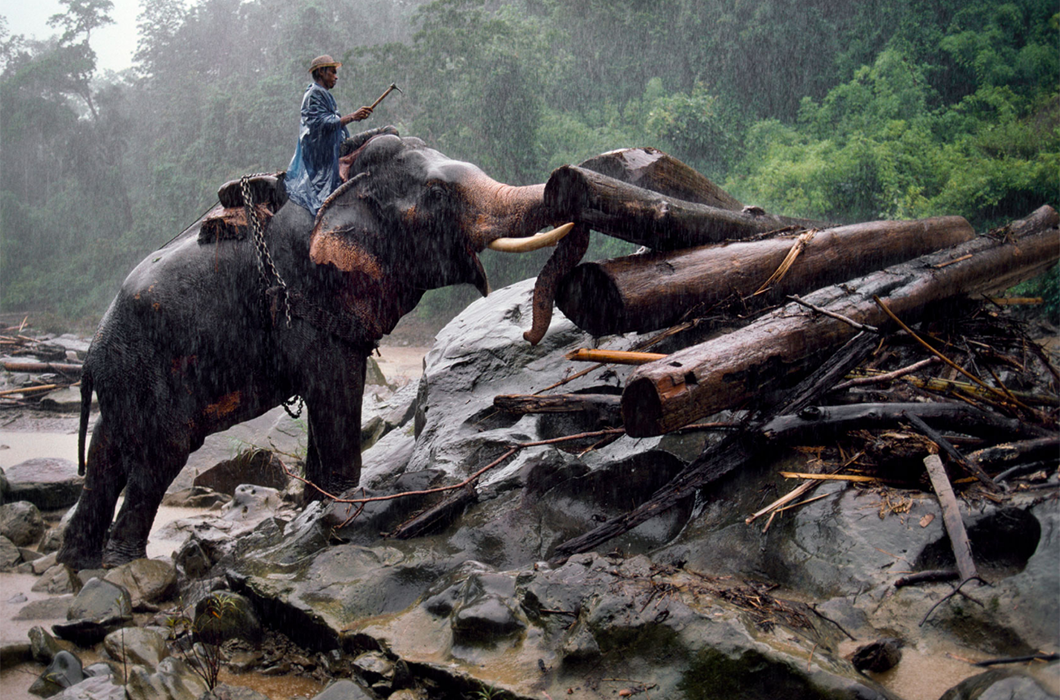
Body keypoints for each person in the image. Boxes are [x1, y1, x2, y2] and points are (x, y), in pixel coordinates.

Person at [285, 54, 374, 214]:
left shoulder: (323, 94)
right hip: (324, 152)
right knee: (382, 135)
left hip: (335, 144)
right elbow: (320, 124)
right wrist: (352, 116)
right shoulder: (314, 94)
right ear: (321, 72)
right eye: (332, 72)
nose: (336, 76)